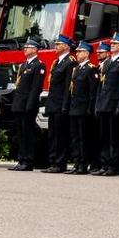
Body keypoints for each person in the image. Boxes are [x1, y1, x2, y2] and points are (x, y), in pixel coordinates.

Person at [94, 35, 119, 176]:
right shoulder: (108, 62)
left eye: (116, 43)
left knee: (114, 138)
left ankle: (114, 165)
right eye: (112, 43)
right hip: (104, 104)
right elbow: (102, 85)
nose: (112, 45)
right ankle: (105, 164)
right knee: (104, 137)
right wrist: (98, 104)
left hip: (114, 104)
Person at [9, 42, 48, 171]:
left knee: (28, 133)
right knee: (20, 133)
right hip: (19, 104)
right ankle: (21, 159)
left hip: (28, 105)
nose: (25, 49)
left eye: (28, 47)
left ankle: (28, 160)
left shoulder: (39, 65)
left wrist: (30, 105)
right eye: (24, 47)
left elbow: (36, 88)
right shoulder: (24, 65)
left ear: (35, 49)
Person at [43, 36, 77, 174]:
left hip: (61, 104)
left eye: (59, 44)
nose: (56, 46)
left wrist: (65, 106)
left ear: (67, 46)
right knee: (52, 134)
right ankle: (53, 161)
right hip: (53, 103)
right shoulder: (57, 62)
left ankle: (60, 162)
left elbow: (68, 87)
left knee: (60, 135)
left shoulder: (70, 62)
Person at [66, 41, 98, 174]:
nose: (77, 54)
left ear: (86, 53)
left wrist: (90, 109)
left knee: (83, 138)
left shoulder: (91, 69)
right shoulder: (77, 69)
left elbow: (92, 92)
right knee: (75, 138)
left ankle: (83, 164)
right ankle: (77, 162)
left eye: (80, 52)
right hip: (74, 108)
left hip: (84, 109)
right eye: (77, 52)